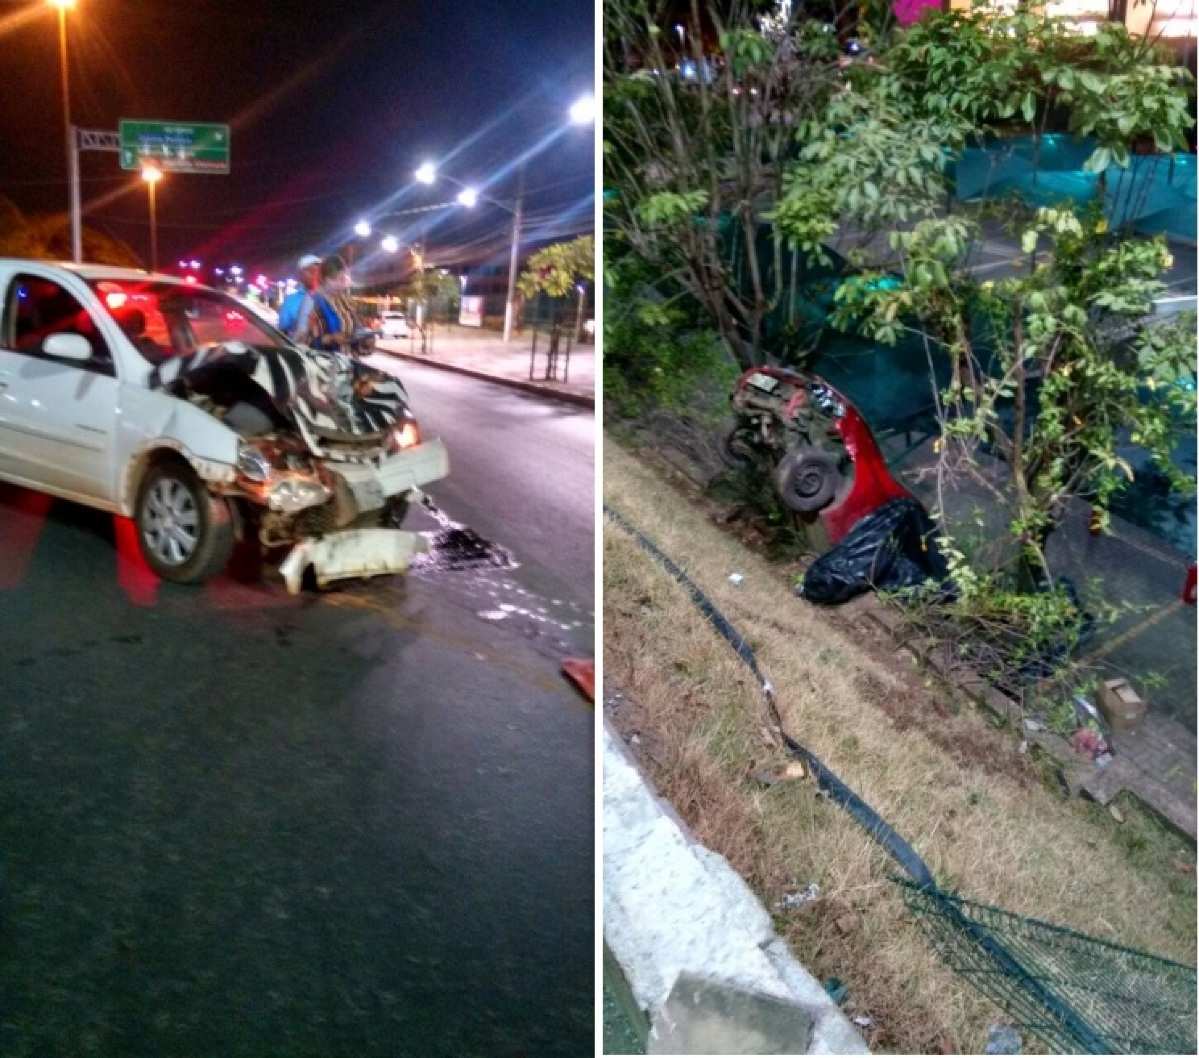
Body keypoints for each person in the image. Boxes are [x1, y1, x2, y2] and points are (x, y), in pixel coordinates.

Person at [276, 253, 323, 342]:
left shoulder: (330, 297)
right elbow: (282, 332)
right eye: (311, 271)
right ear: (300, 275)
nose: (315, 275)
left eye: (318, 271)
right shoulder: (290, 301)